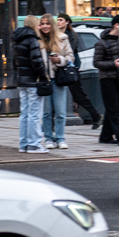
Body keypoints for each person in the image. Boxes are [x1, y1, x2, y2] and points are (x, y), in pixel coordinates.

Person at [57, 13, 102, 129]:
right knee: (55, 94)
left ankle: (95, 115)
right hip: (59, 67)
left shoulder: (71, 35)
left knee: (78, 95)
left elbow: (69, 51)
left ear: (67, 22)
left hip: (70, 68)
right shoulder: (56, 34)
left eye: (61, 20)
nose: (58, 22)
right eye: (58, 20)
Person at [39, 13, 74, 150]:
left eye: (48, 23)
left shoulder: (62, 38)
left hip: (58, 78)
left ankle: (60, 138)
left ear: (52, 25)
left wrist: (60, 60)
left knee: (60, 111)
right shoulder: (37, 40)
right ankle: (48, 138)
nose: (45, 26)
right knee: (47, 112)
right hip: (44, 79)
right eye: (43, 24)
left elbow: (71, 57)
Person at [13, 15, 48, 154]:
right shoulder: (32, 40)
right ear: (34, 24)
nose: (40, 27)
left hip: (22, 81)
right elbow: (37, 62)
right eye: (39, 24)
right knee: (34, 114)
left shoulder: (17, 40)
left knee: (24, 114)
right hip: (33, 81)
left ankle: (24, 144)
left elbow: (15, 62)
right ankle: (34, 144)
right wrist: (43, 76)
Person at [94, 15, 119, 146]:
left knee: (114, 108)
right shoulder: (101, 43)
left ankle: (105, 136)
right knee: (113, 109)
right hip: (107, 79)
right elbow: (96, 63)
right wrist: (113, 64)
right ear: (117, 25)